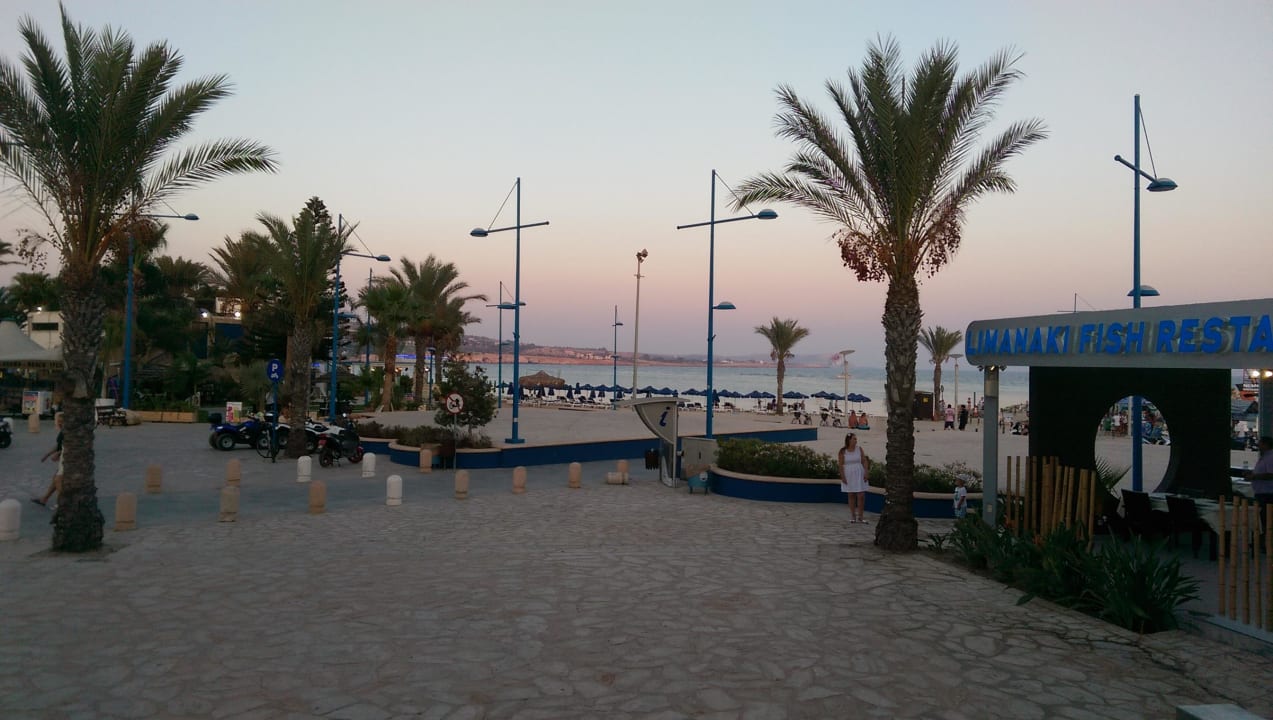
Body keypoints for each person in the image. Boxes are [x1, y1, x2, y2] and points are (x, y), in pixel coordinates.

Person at [32, 412, 65, 508]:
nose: (59, 423)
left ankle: (62, 504)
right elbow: (59, 446)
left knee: (58, 480)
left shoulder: (68, 432)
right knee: (55, 479)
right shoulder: (63, 431)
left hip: (67, 459)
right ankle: (44, 499)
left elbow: (69, 447)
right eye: (58, 421)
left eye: (62, 421)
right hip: (63, 458)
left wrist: (58, 454)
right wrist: (47, 455)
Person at [838, 433, 870, 524]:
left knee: (861, 495)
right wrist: (843, 477)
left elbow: (864, 461)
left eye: (856, 439)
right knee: (851, 494)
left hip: (859, 473)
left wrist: (866, 472)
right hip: (849, 474)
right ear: (849, 440)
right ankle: (853, 516)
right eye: (854, 439)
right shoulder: (843, 451)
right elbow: (840, 465)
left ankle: (861, 516)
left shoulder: (859, 449)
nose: (856, 441)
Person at [1247, 436, 1273, 529]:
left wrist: (1254, 476)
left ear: (1265, 445)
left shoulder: (1270, 457)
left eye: (1260, 443)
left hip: (1267, 494)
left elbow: (1271, 475)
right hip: (1262, 493)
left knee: (1265, 519)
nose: (1258, 445)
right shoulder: (1265, 456)